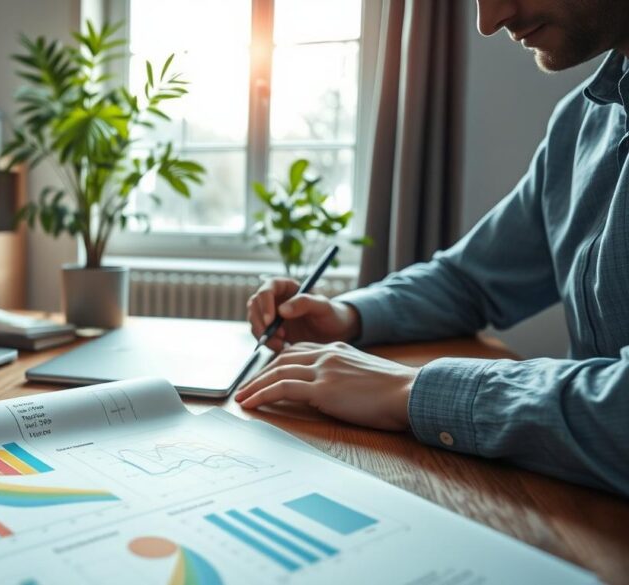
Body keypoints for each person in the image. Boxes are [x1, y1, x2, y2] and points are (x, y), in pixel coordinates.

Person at [240, 0, 629, 497]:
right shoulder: (580, 122)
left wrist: (412, 390)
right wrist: (345, 315)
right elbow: (468, 280)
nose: (489, 21)